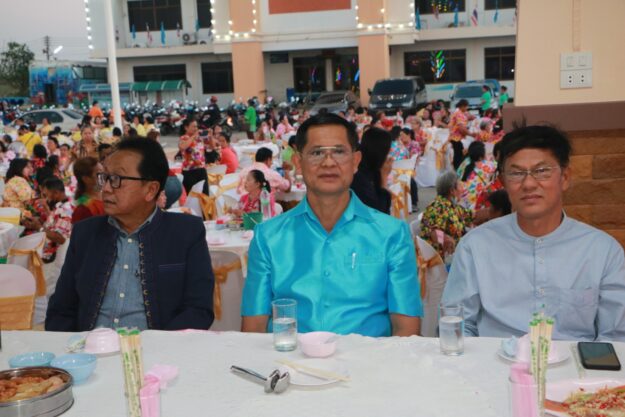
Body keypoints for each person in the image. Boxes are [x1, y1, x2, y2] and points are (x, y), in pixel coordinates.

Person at [241, 113, 422, 337]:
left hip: (369, 358)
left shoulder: (392, 234)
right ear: (298, 163)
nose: (328, 162)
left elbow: (406, 330)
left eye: (339, 152)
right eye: (316, 153)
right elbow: (253, 329)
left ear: (355, 161)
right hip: (290, 357)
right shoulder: (268, 237)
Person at [442, 125, 625, 341]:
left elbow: (616, 339)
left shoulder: (602, 251)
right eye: (516, 173)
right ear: (503, 181)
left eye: (541, 171)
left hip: (574, 362)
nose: (528, 183)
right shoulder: (475, 246)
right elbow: (456, 326)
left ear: (565, 177)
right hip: (493, 360)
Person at [46, 138, 215, 331]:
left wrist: (158, 344)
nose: (106, 188)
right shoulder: (85, 233)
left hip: (158, 347)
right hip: (91, 346)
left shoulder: (186, 233)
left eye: (117, 179)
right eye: (104, 178)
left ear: (150, 190)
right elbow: (61, 310)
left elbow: (198, 310)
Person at [420, 171, 473, 259]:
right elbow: (434, 233)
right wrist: (446, 239)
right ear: (452, 190)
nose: (463, 189)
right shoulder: (438, 207)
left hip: (457, 252)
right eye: (460, 185)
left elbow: (471, 216)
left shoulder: (452, 206)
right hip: (441, 259)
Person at [22, 177, 73, 263]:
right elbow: (54, 225)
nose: (45, 199)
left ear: (56, 193)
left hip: (52, 256)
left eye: (46, 195)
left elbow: (60, 238)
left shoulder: (65, 210)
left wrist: (39, 227)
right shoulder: (60, 205)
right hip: (46, 247)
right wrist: (37, 223)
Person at [350, 127, 392, 214]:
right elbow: (378, 212)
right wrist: (384, 177)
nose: (388, 154)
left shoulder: (370, 166)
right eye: (387, 150)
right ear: (380, 152)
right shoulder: (358, 175)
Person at [457, 141, 496, 211]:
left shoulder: (464, 163)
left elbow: (458, 177)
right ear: (482, 155)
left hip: (464, 202)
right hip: (480, 203)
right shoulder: (490, 165)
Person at [178, 119, 208, 194]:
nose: (196, 128)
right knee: (192, 196)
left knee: (204, 195)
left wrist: (210, 135)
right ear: (186, 127)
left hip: (201, 169)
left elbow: (211, 146)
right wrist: (194, 136)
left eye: (196, 126)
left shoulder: (199, 138)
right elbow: (182, 147)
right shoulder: (183, 138)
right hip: (189, 171)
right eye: (193, 126)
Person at [72, 157, 105, 224]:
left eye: (104, 172)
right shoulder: (83, 208)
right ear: (86, 179)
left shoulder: (105, 194)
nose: (104, 176)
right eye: (99, 174)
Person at [448, 99, 472, 170]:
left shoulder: (457, 112)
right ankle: (457, 169)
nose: (467, 108)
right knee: (459, 155)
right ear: (462, 106)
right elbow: (461, 128)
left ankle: (457, 168)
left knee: (457, 153)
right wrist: (470, 134)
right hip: (456, 137)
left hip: (454, 136)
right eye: (466, 106)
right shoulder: (459, 114)